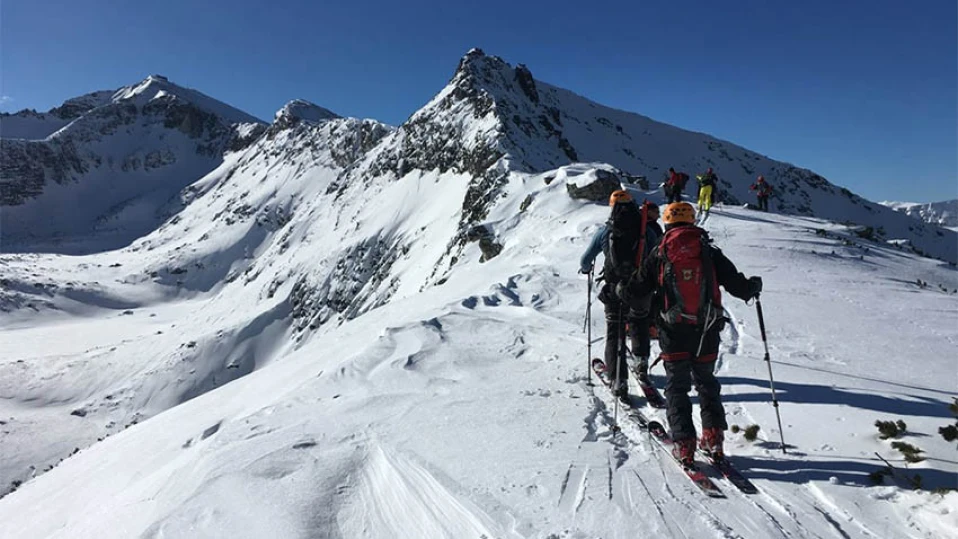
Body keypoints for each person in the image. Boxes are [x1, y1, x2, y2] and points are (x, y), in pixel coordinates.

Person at [618, 202, 762, 467]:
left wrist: (620, 291)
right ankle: (713, 438)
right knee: (706, 382)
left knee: (677, 386)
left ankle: (684, 444)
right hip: (707, 329)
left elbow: (636, 289)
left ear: (667, 222)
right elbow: (737, 285)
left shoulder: (660, 251)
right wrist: (752, 286)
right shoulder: (708, 250)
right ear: (693, 221)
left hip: (672, 330)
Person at [579, 191, 659, 397]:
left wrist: (587, 269)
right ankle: (641, 362)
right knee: (639, 322)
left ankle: (618, 380)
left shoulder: (606, 231)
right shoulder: (645, 229)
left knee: (615, 331)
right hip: (641, 288)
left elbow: (586, 260)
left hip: (614, 289)